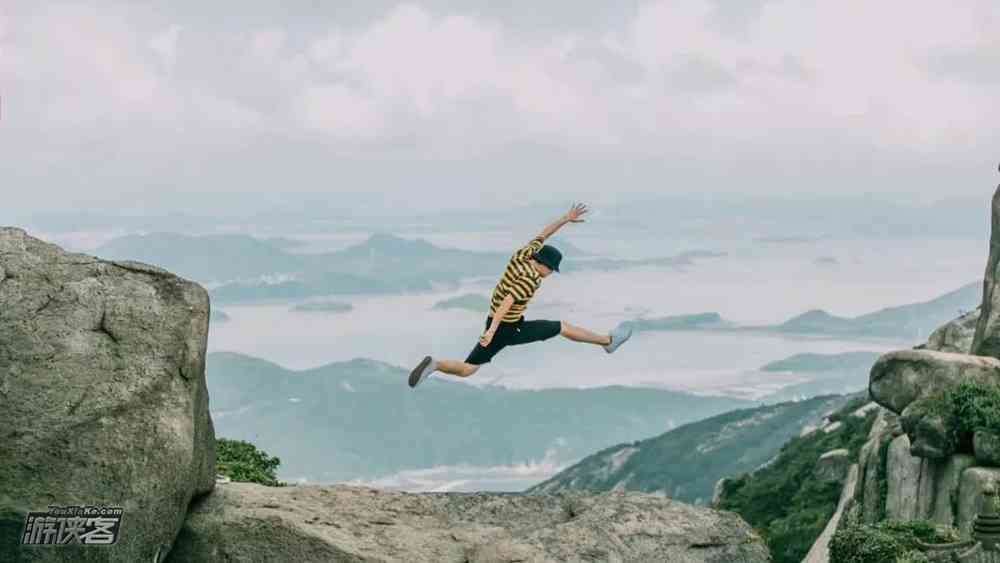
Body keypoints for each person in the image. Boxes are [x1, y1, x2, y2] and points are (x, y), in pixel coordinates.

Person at [408, 203, 634, 388]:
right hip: (507, 326)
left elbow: (543, 235)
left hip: (498, 322)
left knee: (469, 368)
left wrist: (566, 218)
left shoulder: (523, 255)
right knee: (562, 327)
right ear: (543, 266)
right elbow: (507, 303)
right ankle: (608, 341)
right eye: (551, 270)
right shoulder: (531, 280)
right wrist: (491, 332)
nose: (550, 275)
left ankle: (435, 365)